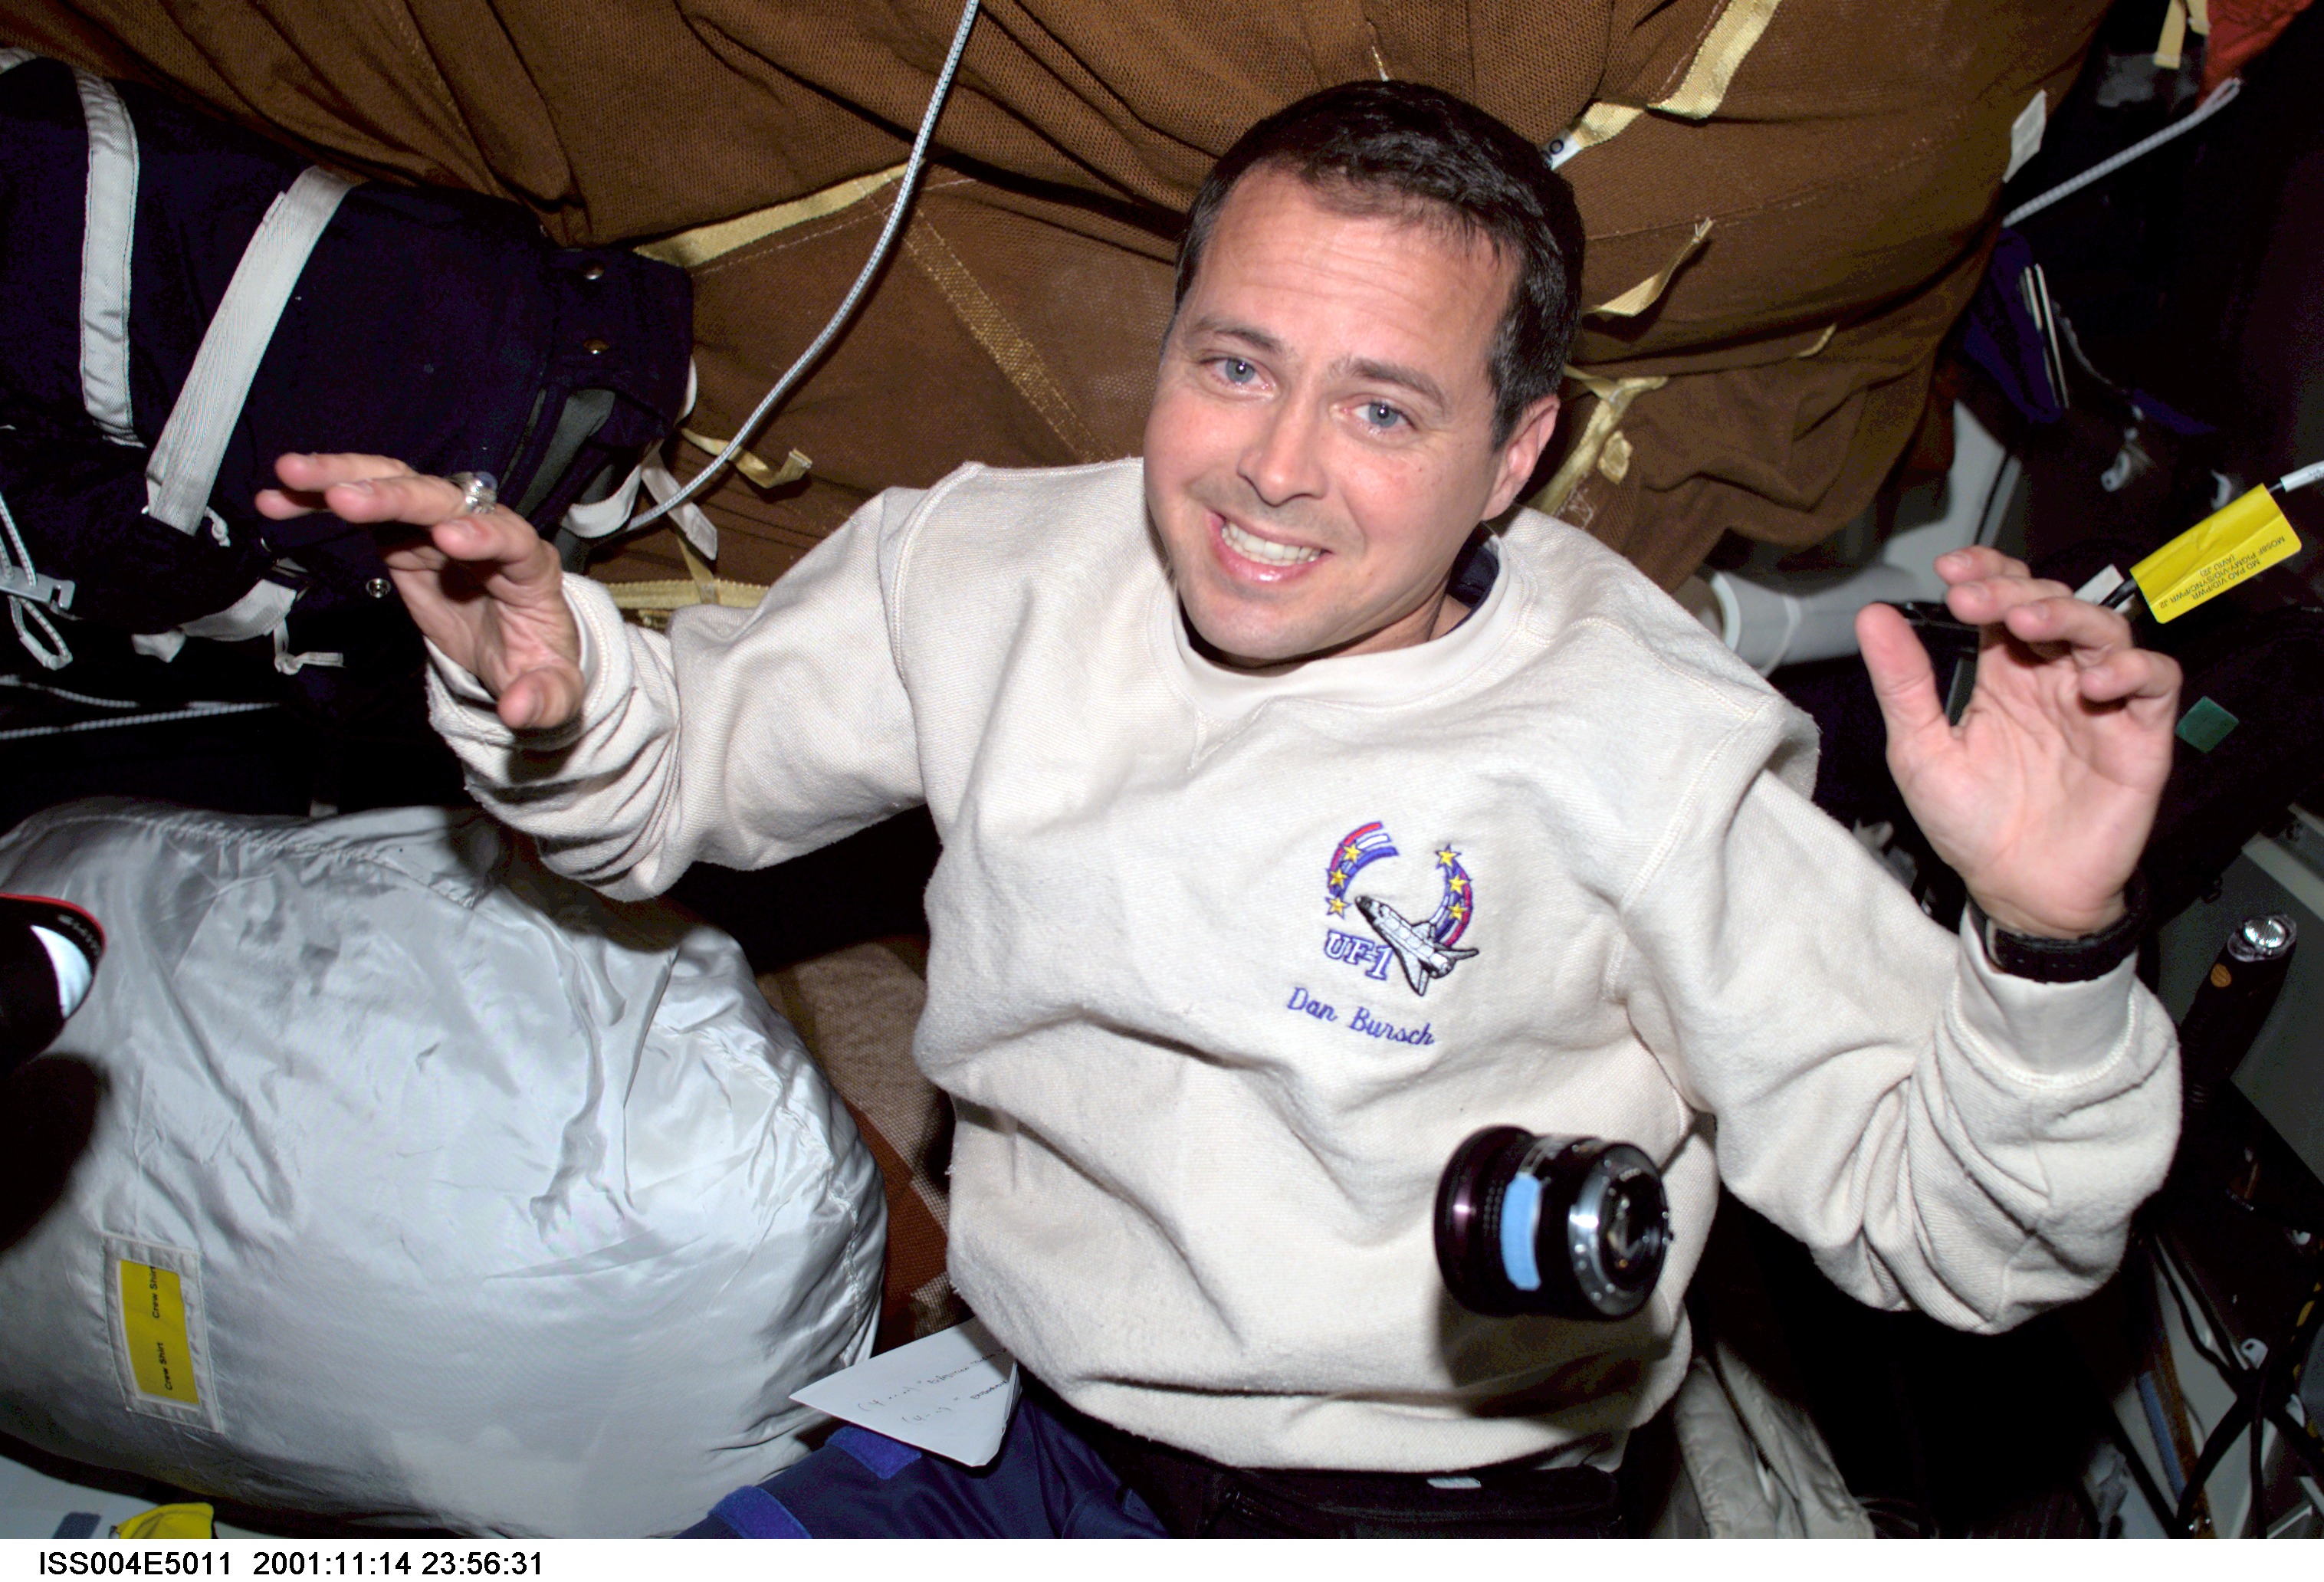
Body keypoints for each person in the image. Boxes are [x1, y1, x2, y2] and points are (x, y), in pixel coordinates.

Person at [258, 81, 2183, 1538]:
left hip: (1419, 1503)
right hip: (1030, 1403)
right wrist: (558, 687)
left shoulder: (1652, 749)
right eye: (1233, 365)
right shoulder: (990, 566)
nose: (1267, 475)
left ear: (1513, 454)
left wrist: (2046, 942)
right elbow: (668, 784)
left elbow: (1964, 1238)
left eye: (1380, 409)